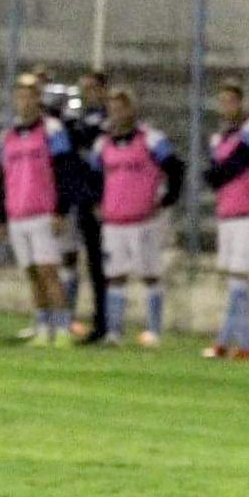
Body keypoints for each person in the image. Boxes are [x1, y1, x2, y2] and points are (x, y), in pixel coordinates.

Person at [0, 73, 86, 347]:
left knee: (49, 271)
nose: (24, 101)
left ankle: (62, 329)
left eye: (30, 96)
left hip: (43, 212)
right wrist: (2, 217)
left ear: (38, 98)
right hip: (17, 213)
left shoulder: (52, 130)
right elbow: (1, 179)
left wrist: (60, 210)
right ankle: (43, 326)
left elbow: (65, 170)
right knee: (32, 273)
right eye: (20, 96)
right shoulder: (7, 136)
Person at [90, 87, 184, 348]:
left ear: (132, 109)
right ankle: (114, 332)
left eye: (122, 108)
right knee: (115, 275)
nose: (117, 113)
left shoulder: (151, 139)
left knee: (150, 274)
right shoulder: (103, 143)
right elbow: (94, 177)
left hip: (144, 220)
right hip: (114, 220)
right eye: (112, 108)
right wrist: (97, 202)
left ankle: (153, 331)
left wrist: (167, 199)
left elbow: (175, 167)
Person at [201, 80, 249, 360]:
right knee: (234, 278)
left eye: (232, 101)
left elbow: (236, 164)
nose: (227, 107)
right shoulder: (219, 137)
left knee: (240, 277)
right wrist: (217, 174)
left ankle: (242, 344)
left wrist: (218, 174)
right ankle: (228, 343)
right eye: (223, 101)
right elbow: (213, 174)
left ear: (242, 102)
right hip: (228, 212)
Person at [61, 69, 111, 342]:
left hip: (102, 200)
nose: (87, 94)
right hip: (81, 197)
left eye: (92, 88)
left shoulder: (106, 121)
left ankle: (105, 324)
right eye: (84, 89)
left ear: (103, 90)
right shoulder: (79, 119)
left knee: (101, 266)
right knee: (83, 261)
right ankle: (73, 320)